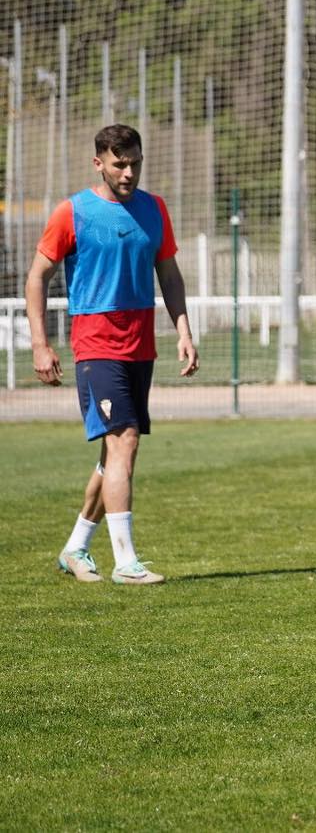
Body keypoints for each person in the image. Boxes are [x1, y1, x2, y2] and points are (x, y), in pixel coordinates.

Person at [25, 123, 198, 586]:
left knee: (114, 456)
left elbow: (171, 275)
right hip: (96, 345)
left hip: (141, 344)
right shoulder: (73, 212)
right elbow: (37, 276)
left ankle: (75, 548)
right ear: (98, 163)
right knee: (124, 442)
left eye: (136, 163)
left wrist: (183, 329)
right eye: (120, 164)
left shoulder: (154, 209)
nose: (129, 172)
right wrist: (40, 344)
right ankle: (126, 562)